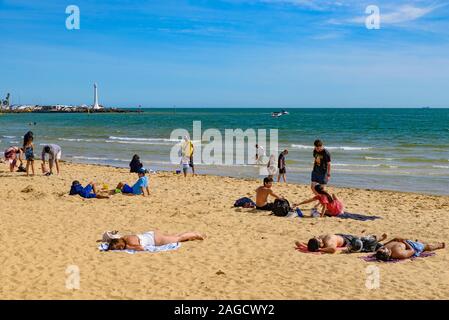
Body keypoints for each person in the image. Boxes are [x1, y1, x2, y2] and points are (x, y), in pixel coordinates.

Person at [106, 230, 205, 251]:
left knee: (178, 238)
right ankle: (192, 236)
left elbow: (141, 248)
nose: (121, 248)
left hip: (155, 239)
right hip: (152, 235)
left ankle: (196, 234)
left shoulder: (129, 242)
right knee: (175, 236)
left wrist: (129, 247)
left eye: (119, 246)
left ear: (119, 241)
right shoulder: (125, 237)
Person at [298, 233, 387, 254]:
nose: (317, 237)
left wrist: (318, 249)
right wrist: (309, 246)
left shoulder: (328, 241)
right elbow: (298, 242)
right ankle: (379, 239)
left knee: (364, 241)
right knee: (365, 242)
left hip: (346, 240)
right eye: (317, 239)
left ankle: (379, 239)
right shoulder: (324, 241)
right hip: (340, 237)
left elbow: (332, 249)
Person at [375, 237, 445, 261]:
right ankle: (440, 245)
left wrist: (388, 242)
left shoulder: (381, 250)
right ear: (388, 254)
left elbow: (385, 245)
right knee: (426, 247)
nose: (384, 248)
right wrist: (404, 242)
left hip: (402, 242)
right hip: (412, 246)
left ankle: (418, 242)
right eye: (384, 249)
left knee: (423, 244)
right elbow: (412, 251)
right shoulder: (398, 254)